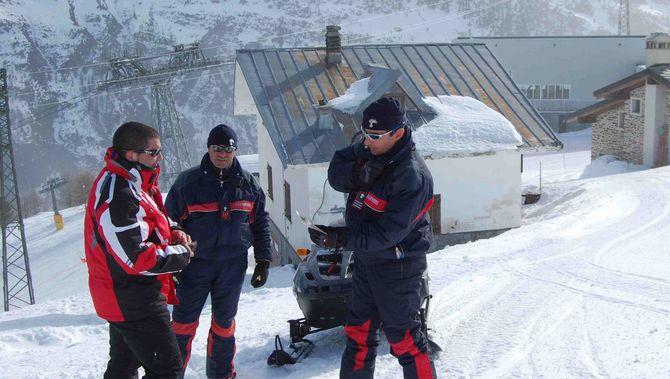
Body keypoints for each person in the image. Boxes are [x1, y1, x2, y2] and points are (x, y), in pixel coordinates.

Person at [310, 97, 437, 378]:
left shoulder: (412, 177)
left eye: (375, 136)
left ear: (399, 133)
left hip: (398, 265)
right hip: (367, 261)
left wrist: (340, 239)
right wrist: (358, 173)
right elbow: (336, 171)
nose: (366, 142)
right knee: (357, 333)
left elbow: (385, 234)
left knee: (403, 338)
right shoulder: (371, 147)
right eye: (365, 133)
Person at [84, 121, 194, 379]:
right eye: (154, 152)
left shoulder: (136, 181)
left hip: (126, 294)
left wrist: (174, 230)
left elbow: (153, 217)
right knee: (167, 371)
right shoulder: (118, 193)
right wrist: (182, 254)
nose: (160, 158)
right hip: (131, 298)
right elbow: (135, 259)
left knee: (123, 366)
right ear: (131, 154)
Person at [165, 123, 273, 379]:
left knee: (224, 325)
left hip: (232, 266)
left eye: (227, 148)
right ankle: (170, 374)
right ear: (209, 148)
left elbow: (260, 223)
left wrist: (263, 260)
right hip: (194, 267)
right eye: (216, 148)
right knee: (181, 325)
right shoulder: (188, 183)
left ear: (234, 150)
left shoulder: (249, 184)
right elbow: (167, 223)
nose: (221, 153)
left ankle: (221, 375)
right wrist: (172, 264)